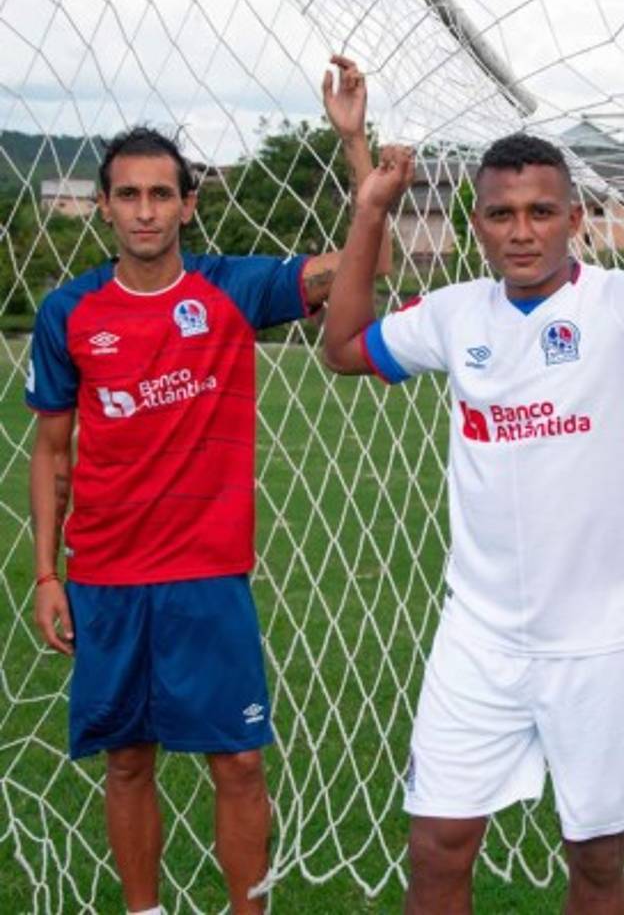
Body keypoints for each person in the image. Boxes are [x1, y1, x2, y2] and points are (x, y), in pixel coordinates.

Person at [322, 70, 624, 915]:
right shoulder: (454, 313)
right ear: (476, 223)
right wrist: (370, 209)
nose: (522, 232)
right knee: (437, 847)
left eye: (541, 212)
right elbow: (345, 348)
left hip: (601, 644)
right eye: (502, 214)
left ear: (575, 219)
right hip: (476, 639)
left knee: (596, 862)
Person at [28, 56, 377, 915]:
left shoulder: (230, 291)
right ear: (107, 206)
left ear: (188, 204)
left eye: (161, 194)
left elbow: (359, 263)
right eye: (128, 195)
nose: (146, 210)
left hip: (207, 576)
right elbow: (51, 451)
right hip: (106, 576)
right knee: (127, 761)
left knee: (240, 763)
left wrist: (354, 145)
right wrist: (45, 572)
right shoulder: (67, 312)